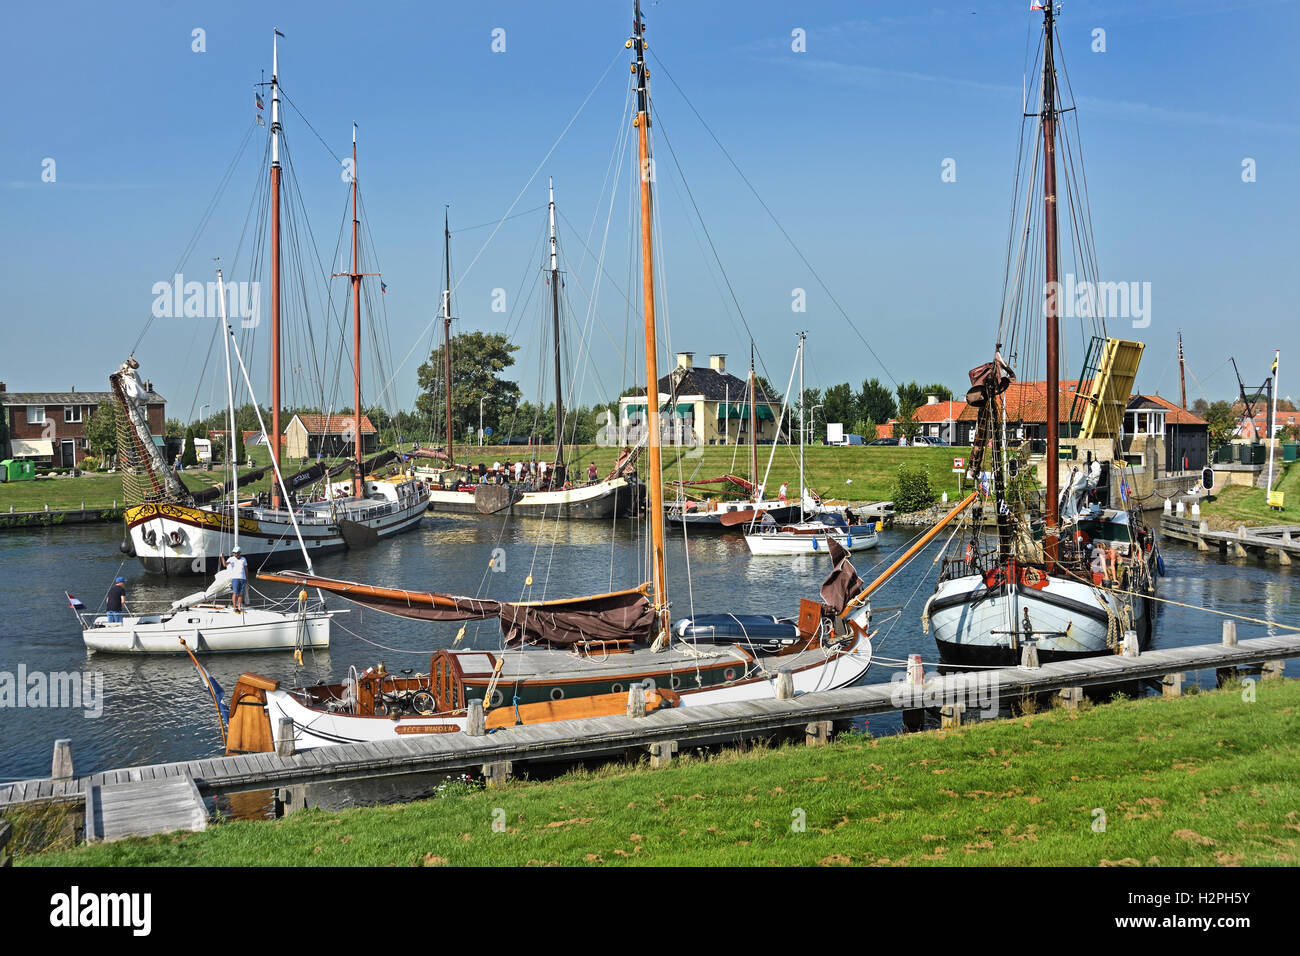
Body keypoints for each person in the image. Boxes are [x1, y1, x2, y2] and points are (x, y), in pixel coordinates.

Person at [222, 545, 249, 612]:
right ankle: (234, 607)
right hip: (235, 578)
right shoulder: (231, 559)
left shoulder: (243, 559)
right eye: (234, 553)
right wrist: (222, 557)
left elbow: (245, 569)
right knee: (235, 593)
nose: (235, 554)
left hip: (242, 578)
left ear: (240, 553)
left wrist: (247, 579)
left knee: (240, 593)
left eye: (236, 553)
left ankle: (239, 606)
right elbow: (225, 565)